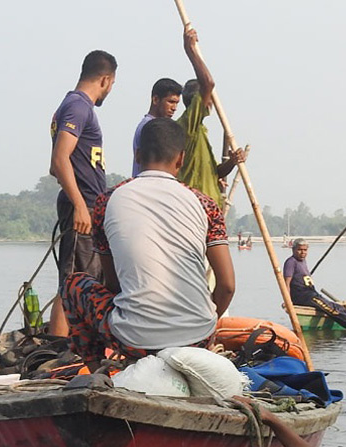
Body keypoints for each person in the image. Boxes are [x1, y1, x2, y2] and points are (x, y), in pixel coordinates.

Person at [59, 117, 235, 372]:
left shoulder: (105, 202)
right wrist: (202, 326)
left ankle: (97, 371)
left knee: (73, 284)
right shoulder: (206, 204)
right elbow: (227, 286)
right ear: (181, 159)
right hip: (198, 339)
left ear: (137, 155)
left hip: (133, 341)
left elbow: (113, 284)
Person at [48, 50, 118, 336]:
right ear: (105, 79)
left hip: (89, 206)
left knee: (87, 279)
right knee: (73, 283)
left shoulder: (74, 106)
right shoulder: (78, 107)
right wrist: (79, 205)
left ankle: (79, 343)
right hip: (83, 207)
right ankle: (57, 347)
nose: (110, 90)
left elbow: (58, 166)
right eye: (112, 84)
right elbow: (58, 160)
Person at [176, 27, 244, 205]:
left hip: (210, 207)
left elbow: (215, 173)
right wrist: (190, 50)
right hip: (195, 205)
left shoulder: (200, 130)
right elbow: (208, 83)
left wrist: (232, 162)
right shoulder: (186, 126)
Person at [282, 239, 346, 330]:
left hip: (312, 294)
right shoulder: (291, 262)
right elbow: (286, 283)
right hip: (303, 297)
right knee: (333, 311)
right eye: (299, 250)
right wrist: (287, 301)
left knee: (339, 308)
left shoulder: (302, 261)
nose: (302, 252)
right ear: (293, 250)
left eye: (305, 250)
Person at [131, 78, 182, 177]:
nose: (174, 108)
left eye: (176, 103)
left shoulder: (154, 126)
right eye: (171, 102)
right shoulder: (149, 128)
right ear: (155, 100)